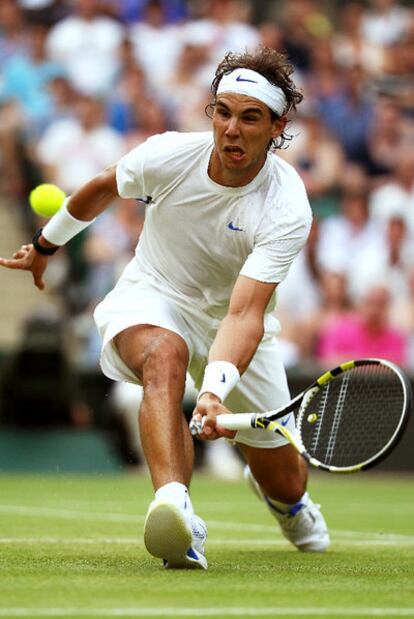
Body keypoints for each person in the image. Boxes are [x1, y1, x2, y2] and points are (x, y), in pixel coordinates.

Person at [0, 47, 330, 570]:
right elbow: (104, 186)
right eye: (223, 112)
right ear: (211, 113)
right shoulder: (169, 154)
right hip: (155, 292)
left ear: (276, 126)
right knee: (163, 356)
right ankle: (175, 510)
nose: (232, 130)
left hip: (237, 322)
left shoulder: (287, 204)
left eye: (250, 118)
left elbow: (244, 314)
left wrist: (216, 392)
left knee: (286, 479)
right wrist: (45, 245)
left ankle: (290, 506)